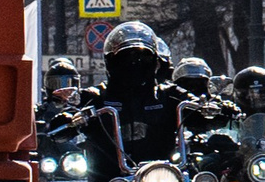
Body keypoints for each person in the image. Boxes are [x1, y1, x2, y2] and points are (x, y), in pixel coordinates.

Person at [76, 22, 202, 162]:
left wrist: (212, 109)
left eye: (144, 58)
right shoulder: (97, 96)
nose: (135, 64)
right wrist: (68, 117)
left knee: (195, 179)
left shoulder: (168, 95)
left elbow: (196, 106)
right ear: (111, 61)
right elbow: (71, 113)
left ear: (155, 61)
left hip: (162, 176)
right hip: (107, 178)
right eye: (126, 58)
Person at [39, 58, 82, 131]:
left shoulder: (83, 104)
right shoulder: (43, 108)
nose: (63, 90)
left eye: (68, 83)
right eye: (55, 84)